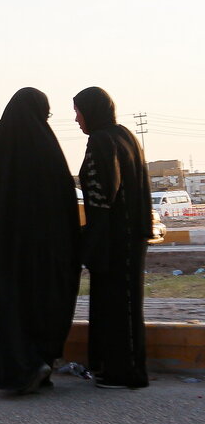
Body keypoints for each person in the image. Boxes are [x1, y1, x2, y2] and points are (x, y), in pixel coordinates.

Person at [0, 87, 80, 395]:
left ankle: (21, 368)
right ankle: (36, 364)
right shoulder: (46, 148)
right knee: (41, 305)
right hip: (43, 250)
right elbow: (63, 202)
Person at [74, 86, 151, 389]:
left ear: (92, 111)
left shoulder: (101, 140)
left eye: (79, 110)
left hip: (116, 238)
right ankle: (119, 368)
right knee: (124, 304)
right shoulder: (124, 135)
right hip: (129, 236)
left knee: (117, 305)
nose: (76, 118)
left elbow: (103, 195)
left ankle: (124, 372)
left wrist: (90, 241)